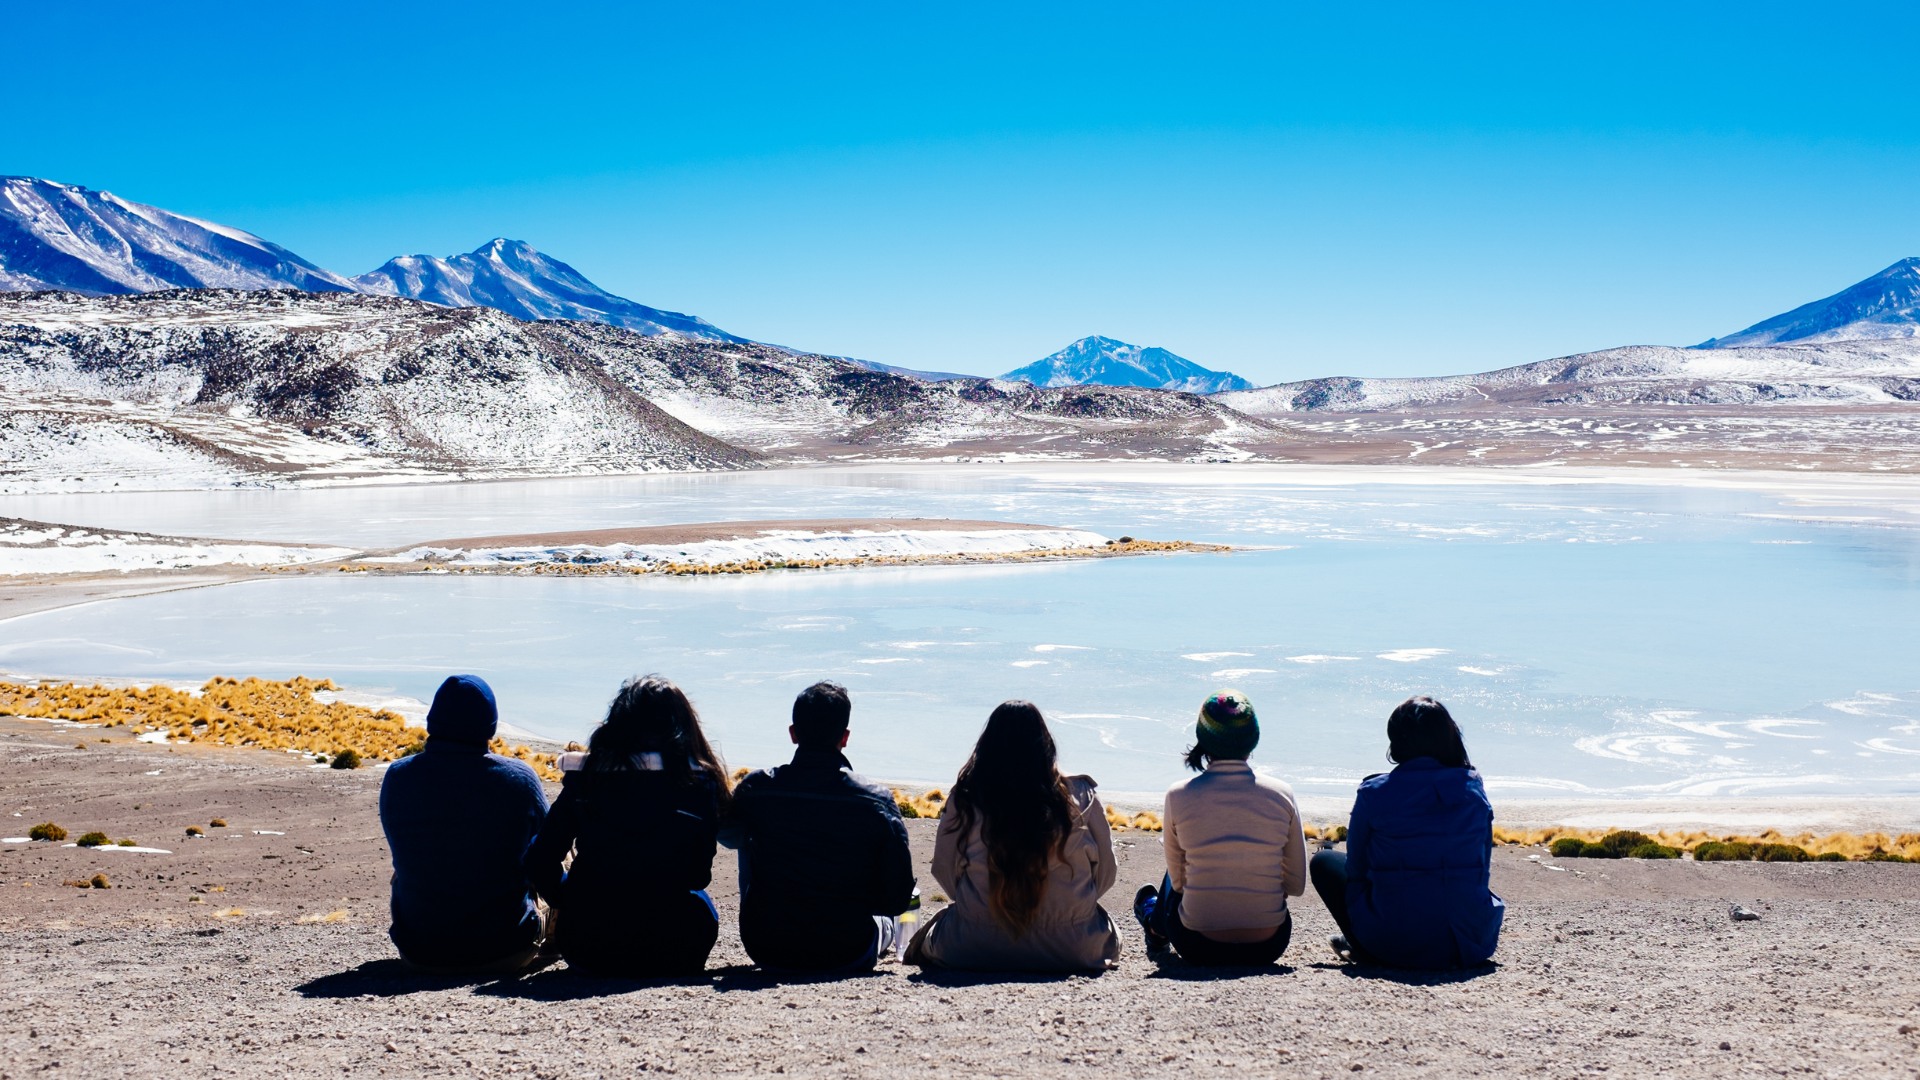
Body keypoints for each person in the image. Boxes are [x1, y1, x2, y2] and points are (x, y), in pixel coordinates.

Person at [525, 675, 730, 977]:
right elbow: (698, 875)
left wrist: (569, 898)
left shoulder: (586, 779)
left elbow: (540, 859)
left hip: (587, 943)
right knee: (697, 902)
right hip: (676, 945)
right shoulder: (699, 783)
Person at [904, 700, 1121, 972]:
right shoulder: (1082, 796)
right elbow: (1106, 874)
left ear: (987, 745)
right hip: (1074, 946)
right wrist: (1073, 907)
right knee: (1112, 934)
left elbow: (944, 868)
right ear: (1046, 744)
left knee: (930, 936)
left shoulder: (966, 797)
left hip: (973, 944)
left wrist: (974, 903)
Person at [723, 681, 916, 971]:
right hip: (847, 948)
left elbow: (728, 835)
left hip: (767, 946)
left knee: (748, 833)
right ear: (845, 737)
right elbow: (897, 897)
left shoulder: (757, 788)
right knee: (890, 915)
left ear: (793, 733)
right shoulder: (875, 799)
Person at [1310, 695, 1504, 969]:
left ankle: (1362, 943)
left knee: (1324, 861)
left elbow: (1356, 867)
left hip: (1393, 944)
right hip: (1469, 943)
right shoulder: (1472, 789)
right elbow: (1482, 866)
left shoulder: (1374, 792)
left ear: (1397, 741)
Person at [378, 674, 549, 972]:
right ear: (490, 723)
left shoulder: (398, 776)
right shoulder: (519, 778)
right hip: (507, 949)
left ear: (433, 720)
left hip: (420, 953)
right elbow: (547, 847)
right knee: (552, 854)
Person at [1133, 690, 1305, 966]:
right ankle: (1155, 920)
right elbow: (1296, 885)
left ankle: (1154, 925)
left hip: (1199, 945)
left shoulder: (1179, 795)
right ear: (1253, 738)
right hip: (1268, 945)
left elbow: (1179, 884)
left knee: (1182, 860)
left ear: (1204, 737)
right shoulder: (1282, 794)